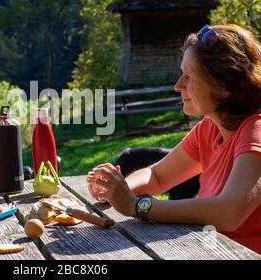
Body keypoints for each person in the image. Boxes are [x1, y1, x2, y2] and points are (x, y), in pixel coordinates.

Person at [88, 24, 261, 254]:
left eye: (190, 76)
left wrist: (137, 206)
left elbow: (229, 212)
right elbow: (157, 176)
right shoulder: (209, 128)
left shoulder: (256, 130)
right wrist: (117, 190)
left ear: (225, 87)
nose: (178, 86)